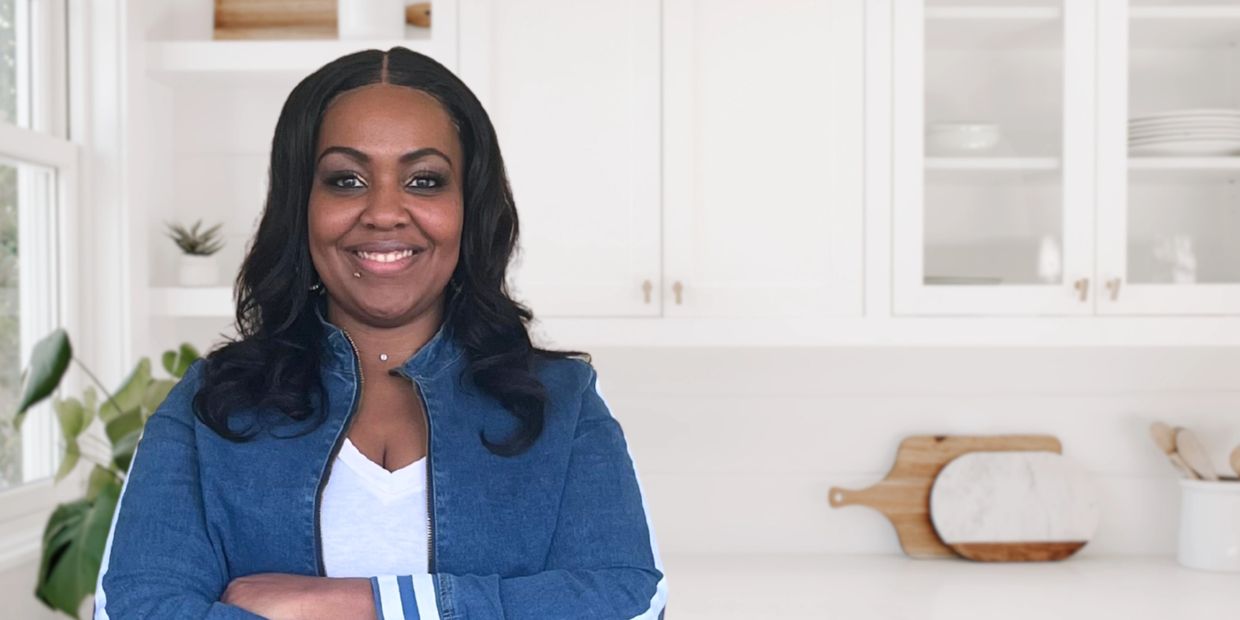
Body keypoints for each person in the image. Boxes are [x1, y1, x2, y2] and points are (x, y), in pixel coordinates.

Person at [93, 46, 668, 620]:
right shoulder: (209, 405)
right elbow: (134, 610)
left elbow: (632, 604)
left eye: (424, 180)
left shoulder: (559, 403)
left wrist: (356, 603)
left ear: (469, 207)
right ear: (301, 207)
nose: (385, 211)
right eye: (346, 179)